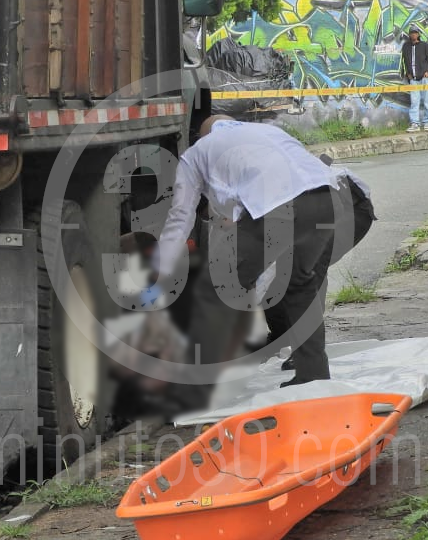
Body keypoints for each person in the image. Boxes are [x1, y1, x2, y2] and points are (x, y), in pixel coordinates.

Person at [155, 116, 375, 390]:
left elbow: (180, 217)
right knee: (300, 284)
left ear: (203, 136)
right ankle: (313, 374)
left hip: (279, 207)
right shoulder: (268, 131)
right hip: (327, 201)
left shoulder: (197, 153)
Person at [400, 28, 428, 132]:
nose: (413, 35)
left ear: (418, 34)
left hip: (424, 78)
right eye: (411, 33)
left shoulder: (424, 45)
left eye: (415, 33)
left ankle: (427, 122)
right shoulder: (406, 46)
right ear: (409, 35)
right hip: (413, 79)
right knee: (414, 102)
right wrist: (407, 74)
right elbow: (403, 61)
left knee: (426, 101)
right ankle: (415, 124)